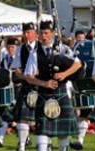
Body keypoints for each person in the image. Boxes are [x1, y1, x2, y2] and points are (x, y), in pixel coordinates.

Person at [25, 20, 81, 151]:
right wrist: (44, 83)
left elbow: (78, 64)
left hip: (61, 94)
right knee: (43, 132)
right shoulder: (34, 53)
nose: (43, 36)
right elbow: (29, 77)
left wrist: (64, 74)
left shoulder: (63, 49)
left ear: (53, 33)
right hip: (44, 94)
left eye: (46, 33)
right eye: (41, 33)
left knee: (63, 133)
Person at [13, 22, 38, 151]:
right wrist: (24, 76)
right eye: (24, 32)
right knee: (23, 117)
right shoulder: (21, 48)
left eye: (28, 32)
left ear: (35, 33)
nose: (26, 35)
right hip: (26, 85)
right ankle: (22, 145)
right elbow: (16, 68)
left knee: (44, 116)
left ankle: (46, 144)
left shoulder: (41, 47)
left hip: (41, 86)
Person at [0, 37, 19, 149]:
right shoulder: (3, 60)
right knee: (4, 116)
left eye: (13, 47)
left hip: (18, 90)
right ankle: (0, 139)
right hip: (6, 91)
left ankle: (23, 141)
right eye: (9, 47)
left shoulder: (21, 59)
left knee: (21, 118)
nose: (11, 49)